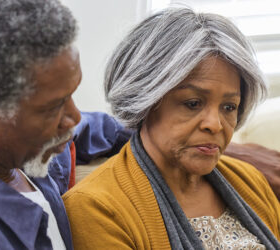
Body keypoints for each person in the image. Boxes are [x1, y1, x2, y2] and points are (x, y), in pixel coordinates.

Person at [63, 8, 280, 250]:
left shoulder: (249, 181)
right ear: (146, 100)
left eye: (229, 107)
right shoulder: (96, 208)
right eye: (193, 103)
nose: (215, 124)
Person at [0, 0, 131, 249]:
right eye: (54, 106)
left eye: (71, 95)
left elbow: (96, 128)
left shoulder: (24, 146)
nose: (75, 117)